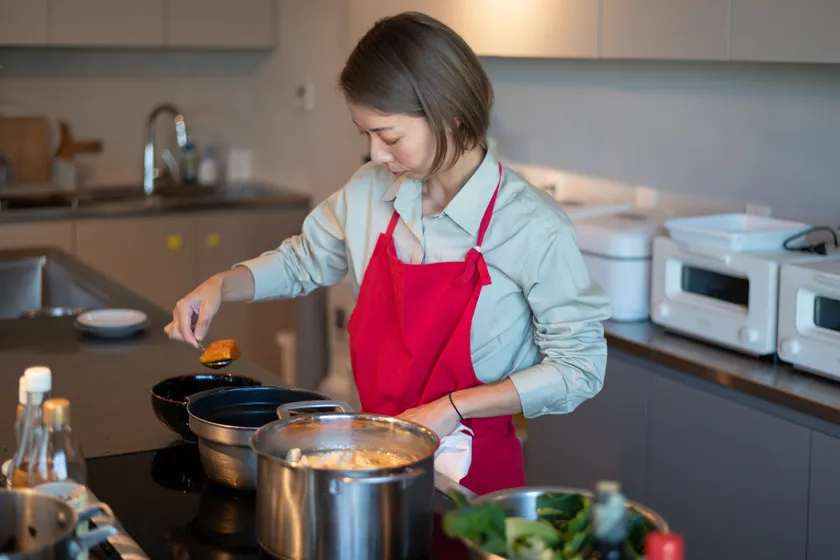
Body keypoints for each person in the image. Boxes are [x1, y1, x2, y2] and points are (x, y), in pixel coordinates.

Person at [165, 11, 612, 496]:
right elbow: (303, 261)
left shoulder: (532, 225)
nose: (377, 155)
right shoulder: (369, 193)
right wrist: (220, 286)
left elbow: (578, 368)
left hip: (472, 483)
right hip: (372, 463)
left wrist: (454, 407)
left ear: (449, 114)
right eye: (367, 135)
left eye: (390, 136)